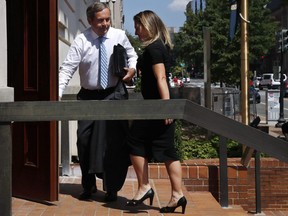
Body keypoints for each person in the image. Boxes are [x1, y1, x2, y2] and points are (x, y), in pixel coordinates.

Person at [59, 2, 137, 202]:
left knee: (112, 144)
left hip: (113, 94)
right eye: (100, 20)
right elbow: (67, 69)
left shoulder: (119, 35)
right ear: (90, 20)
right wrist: (57, 95)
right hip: (88, 97)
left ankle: (111, 188)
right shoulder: (81, 40)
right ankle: (89, 184)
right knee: (84, 141)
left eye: (108, 19)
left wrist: (132, 69)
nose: (105, 24)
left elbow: (132, 55)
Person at [125, 10, 187, 214]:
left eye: (138, 26)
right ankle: (177, 194)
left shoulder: (154, 49)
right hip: (154, 106)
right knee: (166, 150)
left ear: (148, 25)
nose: (136, 31)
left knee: (135, 141)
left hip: (157, 107)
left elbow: (161, 79)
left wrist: (165, 107)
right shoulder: (158, 46)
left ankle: (145, 187)